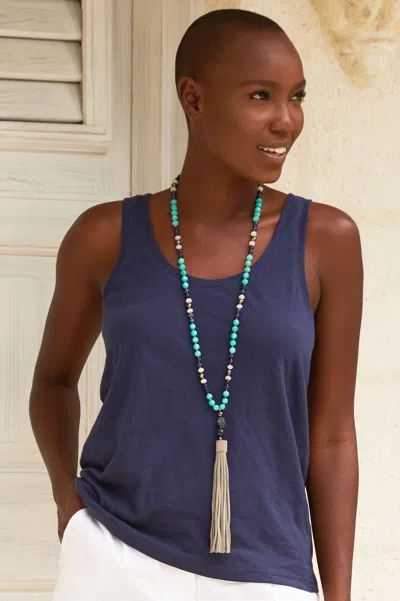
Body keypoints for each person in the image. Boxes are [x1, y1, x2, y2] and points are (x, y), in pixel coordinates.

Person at [29, 8, 363, 601]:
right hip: (116, 559)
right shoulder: (103, 237)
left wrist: (340, 594)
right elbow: (53, 383)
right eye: (260, 95)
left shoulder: (327, 241)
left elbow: (333, 436)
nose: (286, 120)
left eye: (296, 97)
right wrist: (69, 504)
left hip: (267, 572)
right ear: (194, 98)